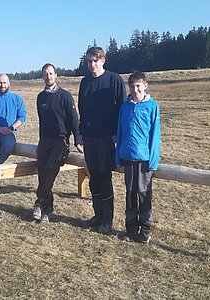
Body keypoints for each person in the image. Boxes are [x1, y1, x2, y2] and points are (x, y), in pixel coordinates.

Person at [78, 46, 127, 234]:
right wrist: (81, 133)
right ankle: (97, 216)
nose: (92, 65)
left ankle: (107, 220)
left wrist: (117, 134)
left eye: (95, 61)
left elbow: (122, 110)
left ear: (103, 61)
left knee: (105, 178)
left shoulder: (114, 80)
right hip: (90, 138)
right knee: (94, 178)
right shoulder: (85, 82)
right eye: (89, 61)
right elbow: (82, 109)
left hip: (108, 138)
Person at [33, 63, 83, 222]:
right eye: (45, 74)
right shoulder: (41, 97)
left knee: (50, 171)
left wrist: (78, 140)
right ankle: (47, 208)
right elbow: (42, 120)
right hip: (45, 141)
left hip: (61, 142)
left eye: (51, 73)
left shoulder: (65, 96)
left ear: (56, 75)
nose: (48, 76)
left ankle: (40, 203)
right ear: (42, 76)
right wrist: (41, 141)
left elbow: (74, 120)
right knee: (42, 173)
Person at [116, 71, 160, 243]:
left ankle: (145, 231)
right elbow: (120, 132)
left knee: (144, 195)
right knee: (130, 194)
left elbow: (155, 136)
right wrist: (118, 156)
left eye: (138, 86)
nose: (135, 89)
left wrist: (153, 161)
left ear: (145, 86)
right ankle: (131, 230)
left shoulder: (151, 107)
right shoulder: (125, 107)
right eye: (132, 86)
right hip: (127, 158)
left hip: (144, 160)